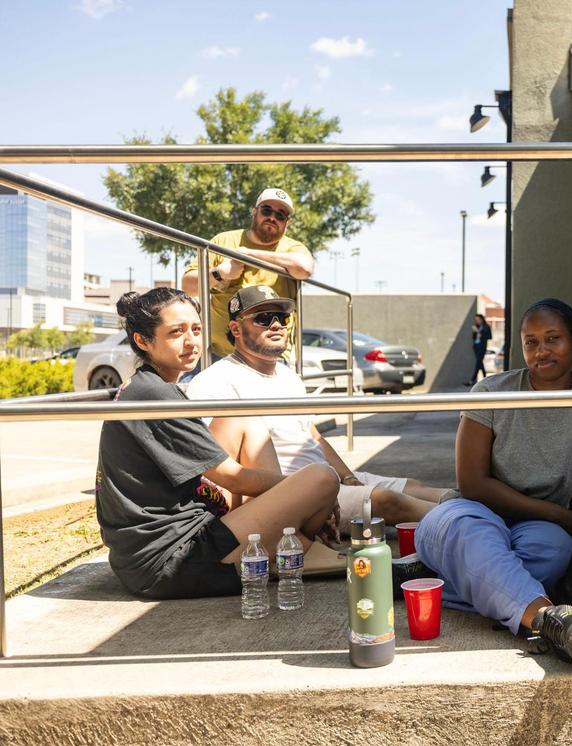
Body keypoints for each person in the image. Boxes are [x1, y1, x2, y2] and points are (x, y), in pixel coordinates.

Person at [414, 299, 572, 667]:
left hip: (540, 531)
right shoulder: (492, 393)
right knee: (471, 534)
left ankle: (434, 581)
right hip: (473, 515)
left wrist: (560, 522)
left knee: (555, 553)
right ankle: (550, 619)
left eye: (553, 339)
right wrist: (559, 514)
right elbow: (472, 484)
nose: (541, 351)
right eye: (531, 342)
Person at [95, 288, 340, 599]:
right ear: (143, 341)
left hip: (168, 546)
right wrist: (305, 495)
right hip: (173, 560)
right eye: (175, 332)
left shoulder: (150, 386)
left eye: (196, 329)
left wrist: (297, 500)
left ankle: (284, 540)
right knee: (321, 478)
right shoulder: (154, 395)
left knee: (242, 419)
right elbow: (234, 478)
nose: (191, 341)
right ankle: (289, 545)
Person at [186, 285, 447, 532]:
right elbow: (218, 470)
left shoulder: (289, 376)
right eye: (263, 318)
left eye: (281, 317)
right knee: (388, 500)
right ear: (236, 328)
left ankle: (469, 509)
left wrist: (348, 477)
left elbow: (313, 436)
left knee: (420, 489)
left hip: (327, 477)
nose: (276, 325)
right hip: (288, 492)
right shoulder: (214, 382)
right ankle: (467, 524)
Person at [182, 188, 313, 361]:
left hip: (271, 358)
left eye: (280, 215)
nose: (272, 218)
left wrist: (250, 255)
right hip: (218, 355)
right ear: (254, 212)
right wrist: (220, 273)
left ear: (287, 223)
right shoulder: (224, 241)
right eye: (266, 210)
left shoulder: (292, 248)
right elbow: (188, 287)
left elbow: (304, 269)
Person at [467, 313, 492, 386]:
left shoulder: (486, 327)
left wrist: (479, 332)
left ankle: (472, 380)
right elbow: (474, 338)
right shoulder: (476, 327)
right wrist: (475, 332)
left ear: (481, 319)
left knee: (478, 362)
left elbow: (489, 337)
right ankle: (485, 379)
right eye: (475, 320)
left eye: (478, 319)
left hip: (482, 347)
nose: (476, 321)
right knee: (480, 363)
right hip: (476, 347)